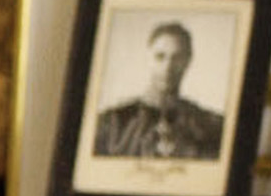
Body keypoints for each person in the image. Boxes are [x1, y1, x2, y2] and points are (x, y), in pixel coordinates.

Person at [92, 20, 224, 160]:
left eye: (177, 58)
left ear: (187, 61)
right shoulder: (111, 124)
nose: (168, 67)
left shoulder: (212, 126)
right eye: (160, 57)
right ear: (148, 59)